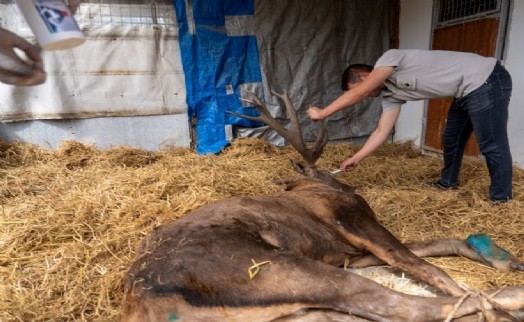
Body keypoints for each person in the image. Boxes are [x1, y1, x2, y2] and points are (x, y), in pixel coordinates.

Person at [307, 49, 513, 203]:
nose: (366, 96)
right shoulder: (390, 94)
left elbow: (358, 93)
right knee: (452, 138)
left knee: (491, 143)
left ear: (364, 77)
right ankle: (448, 182)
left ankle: (500, 198)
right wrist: (356, 158)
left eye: (362, 89)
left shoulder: (389, 58)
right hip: (464, 92)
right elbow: (381, 131)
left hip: (486, 80)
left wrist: (323, 113)